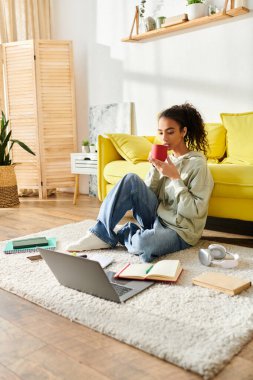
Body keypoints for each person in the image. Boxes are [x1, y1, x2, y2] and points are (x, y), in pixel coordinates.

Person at [67, 103, 214, 262]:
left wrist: (175, 178)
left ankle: (126, 232)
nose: (164, 138)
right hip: (158, 217)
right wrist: (155, 168)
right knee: (131, 179)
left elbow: (194, 212)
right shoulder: (168, 159)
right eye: (160, 132)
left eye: (170, 132)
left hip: (180, 230)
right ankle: (100, 233)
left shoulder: (197, 165)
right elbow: (149, 195)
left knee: (143, 245)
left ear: (183, 131)